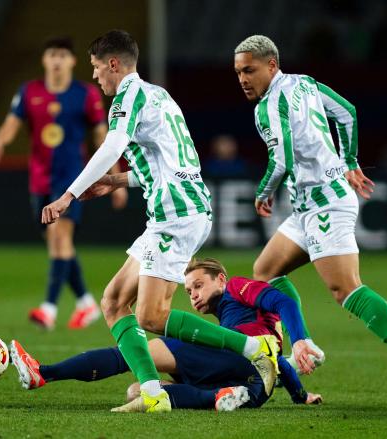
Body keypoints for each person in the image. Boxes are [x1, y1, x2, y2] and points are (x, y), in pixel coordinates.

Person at [40, 30, 291, 413]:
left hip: (175, 214)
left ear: (113, 64)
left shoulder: (127, 97)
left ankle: (254, 347)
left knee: (151, 316)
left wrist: (69, 194)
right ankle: (153, 389)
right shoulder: (159, 96)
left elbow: (111, 145)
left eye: (95, 68)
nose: (94, 77)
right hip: (178, 208)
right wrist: (116, 180)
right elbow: (169, 165)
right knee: (113, 301)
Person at [233, 35, 387, 405]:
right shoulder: (306, 84)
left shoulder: (268, 107)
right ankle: (301, 344)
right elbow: (347, 112)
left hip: (325, 204)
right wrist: (351, 162)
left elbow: (282, 161)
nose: (243, 79)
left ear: (271, 66)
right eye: (238, 72)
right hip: (307, 205)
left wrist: (264, 192)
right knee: (265, 271)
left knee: (345, 289)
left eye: (249, 70)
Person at [8, 258, 322, 411]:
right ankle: (217, 397)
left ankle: (43, 373)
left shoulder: (238, 287)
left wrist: (301, 338)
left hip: (237, 360)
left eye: (199, 285)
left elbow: (282, 300)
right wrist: (300, 395)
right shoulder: (235, 325)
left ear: (221, 279)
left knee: (135, 354)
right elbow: (277, 361)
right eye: (189, 291)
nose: (194, 295)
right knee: (137, 391)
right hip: (254, 390)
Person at [0, 37, 127, 330]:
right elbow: (12, 124)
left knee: (60, 239)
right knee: (57, 244)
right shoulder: (29, 92)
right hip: (39, 178)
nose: (57, 60)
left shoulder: (85, 94)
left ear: (73, 61)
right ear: (45, 60)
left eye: (63, 55)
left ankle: (48, 309)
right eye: (52, 54)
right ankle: (86, 303)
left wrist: (116, 177)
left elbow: (104, 138)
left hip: (72, 179)